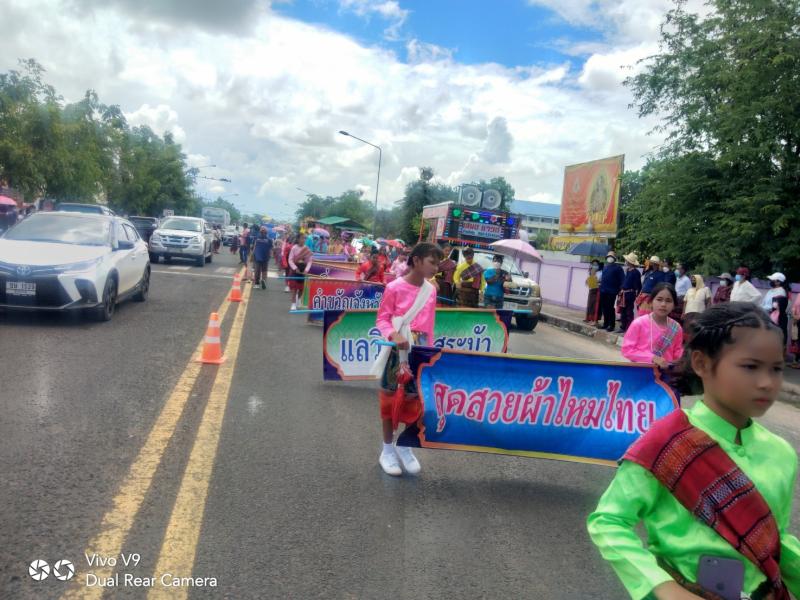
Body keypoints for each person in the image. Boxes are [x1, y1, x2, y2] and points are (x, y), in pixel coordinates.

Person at [588, 302, 800, 600]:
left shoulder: (781, 454)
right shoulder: (666, 441)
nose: (767, 383)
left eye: (776, 369)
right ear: (701, 364)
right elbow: (609, 522)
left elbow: (773, 540)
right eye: (750, 367)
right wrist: (664, 587)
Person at [373, 242, 443, 476]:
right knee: (390, 401)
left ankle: (404, 446)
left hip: (420, 352)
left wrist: (430, 353)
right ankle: (387, 451)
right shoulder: (394, 287)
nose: (436, 268)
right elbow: (382, 319)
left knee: (417, 402)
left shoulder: (431, 290)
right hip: (397, 352)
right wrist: (394, 335)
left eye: (438, 264)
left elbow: (430, 325)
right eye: (432, 262)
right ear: (416, 260)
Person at [621, 282, 684, 368]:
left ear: (674, 305)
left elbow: (677, 353)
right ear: (650, 302)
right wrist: (652, 358)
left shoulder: (676, 328)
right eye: (659, 299)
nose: (663, 304)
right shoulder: (639, 323)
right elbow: (627, 350)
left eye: (668, 301)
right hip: (640, 372)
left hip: (665, 374)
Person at [598, 250, 624, 332]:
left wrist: (620, 289)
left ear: (614, 258)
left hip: (612, 291)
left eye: (611, 256)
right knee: (604, 308)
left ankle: (611, 325)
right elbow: (603, 278)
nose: (610, 258)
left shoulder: (618, 268)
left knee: (610, 308)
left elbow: (622, 280)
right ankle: (605, 324)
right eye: (609, 256)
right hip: (603, 290)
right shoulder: (605, 267)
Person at [288, 233, 313, 311]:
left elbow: (310, 261)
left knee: (301, 289)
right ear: (298, 239)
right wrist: (295, 268)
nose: (303, 240)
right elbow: (290, 260)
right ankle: (293, 304)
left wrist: (306, 270)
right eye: (302, 238)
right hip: (295, 270)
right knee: (294, 288)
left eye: (304, 238)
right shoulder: (294, 248)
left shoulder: (307, 249)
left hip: (303, 271)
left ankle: (298, 300)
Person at [618, 253, 642, 333]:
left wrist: (637, 295)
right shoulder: (627, 270)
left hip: (630, 294)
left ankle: (629, 328)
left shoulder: (636, 272)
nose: (626, 261)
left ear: (630, 262)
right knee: (623, 311)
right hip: (624, 294)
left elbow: (638, 285)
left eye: (627, 260)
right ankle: (623, 327)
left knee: (629, 312)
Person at [765, 272, 790, 347]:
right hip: (767, 316)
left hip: (775, 319)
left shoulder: (781, 292)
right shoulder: (771, 290)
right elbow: (764, 302)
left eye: (773, 280)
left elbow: (774, 307)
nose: (771, 281)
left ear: (779, 282)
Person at [584, 259, 602, 323]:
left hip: (597, 290)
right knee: (590, 304)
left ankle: (595, 320)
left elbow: (601, 281)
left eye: (596, 265)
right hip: (591, 289)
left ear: (598, 265)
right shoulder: (590, 272)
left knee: (595, 305)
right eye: (593, 264)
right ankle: (588, 318)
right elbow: (587, 282)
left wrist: (596, 281)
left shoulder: (600, 273)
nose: (594, 266)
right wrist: (588, 281)